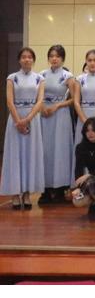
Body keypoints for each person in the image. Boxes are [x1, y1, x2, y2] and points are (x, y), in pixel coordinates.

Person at [1, 47, 45, 210]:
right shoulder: (12, 78)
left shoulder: (39, 78)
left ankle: (26, 193)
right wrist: (18, 121)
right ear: (19, 60)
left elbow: (40, 101)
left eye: (30, 57)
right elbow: (9, 101)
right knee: (15, 155)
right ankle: (14, 193)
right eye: (24, 57)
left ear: (33, 60)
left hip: (32, 119)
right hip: (15, 120)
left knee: (29, 155)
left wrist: (27, 119)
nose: (27, 59)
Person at [38, 45, 75, 204]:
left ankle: (61, 188)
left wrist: (58, 105)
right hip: (44, 115)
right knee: (45, 150)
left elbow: (74, 99)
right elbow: (37, 96)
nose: (54, 59)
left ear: (62, 59)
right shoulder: (41, 75)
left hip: (61, 115)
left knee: (60, 150)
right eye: (51, 56)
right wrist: (41, 107)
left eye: (58, 56)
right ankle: (45, 190)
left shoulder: (68, 76)